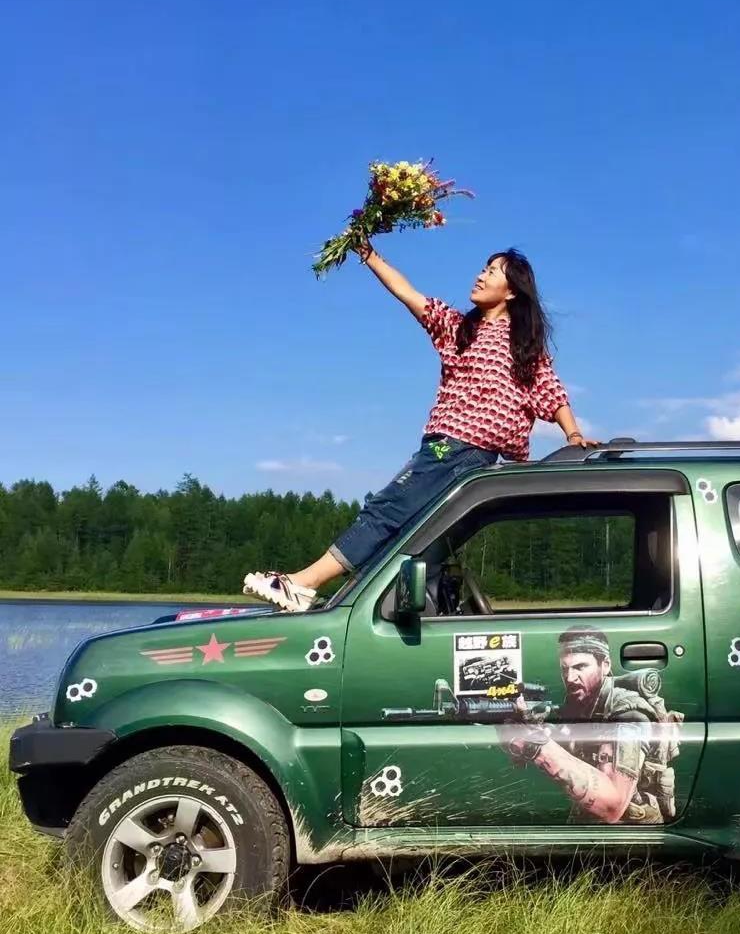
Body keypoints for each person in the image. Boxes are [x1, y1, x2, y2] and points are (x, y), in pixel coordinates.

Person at [242, 244, 597, 611]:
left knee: (386, 510)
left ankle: (304, 583)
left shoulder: (522, 344)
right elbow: (406, 293)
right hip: (447, 448)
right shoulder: (457, 328)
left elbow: (550, 390)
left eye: (493, 271)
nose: (481, 275)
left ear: (511, 290)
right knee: (412, 532)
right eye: (483, 267)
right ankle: (358, 603)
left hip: (462, 450)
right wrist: (369, 255)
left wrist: (572, 434)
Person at [498, 627, 683, 825]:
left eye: (580, 667)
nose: (570, 678)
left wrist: (535, 744)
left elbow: (612, 807)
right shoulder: (580, 706)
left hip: (629, 837)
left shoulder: (629, 715)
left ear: (605, 665)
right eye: (564, 669)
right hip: (592, 831)